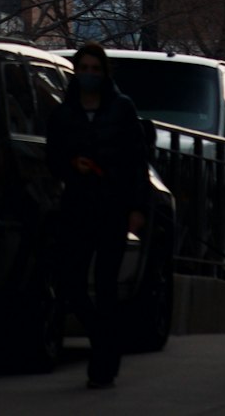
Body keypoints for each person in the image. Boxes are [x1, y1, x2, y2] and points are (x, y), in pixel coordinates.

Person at [46, 42, 150, 389]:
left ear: (104, 73)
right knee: (73, 285)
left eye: (95, 69)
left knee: (106, 286)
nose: (89, 74)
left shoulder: (122, 109)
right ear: (76, 72)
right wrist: (71, 164)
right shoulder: (64, 113)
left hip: (113, 209)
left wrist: (137, 208)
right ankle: (105, 342)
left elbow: (138, 162)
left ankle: (102, 366)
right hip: (77, 208)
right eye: (84, 68)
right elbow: (52, 158)